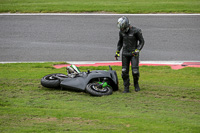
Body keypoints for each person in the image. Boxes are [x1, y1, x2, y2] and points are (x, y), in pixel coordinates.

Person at [115, 16, 145, 93]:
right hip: (125, 54)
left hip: (133, 54)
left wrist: (137, 50)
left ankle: (136, 84)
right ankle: (126, 87)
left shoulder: (136, 31)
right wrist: (117, 52)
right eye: (121, 29)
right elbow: (120, 42)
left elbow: (142, 42)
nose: (122, 30)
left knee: (135, 72)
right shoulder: (121, 32)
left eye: (123, 28)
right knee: (124, 71)